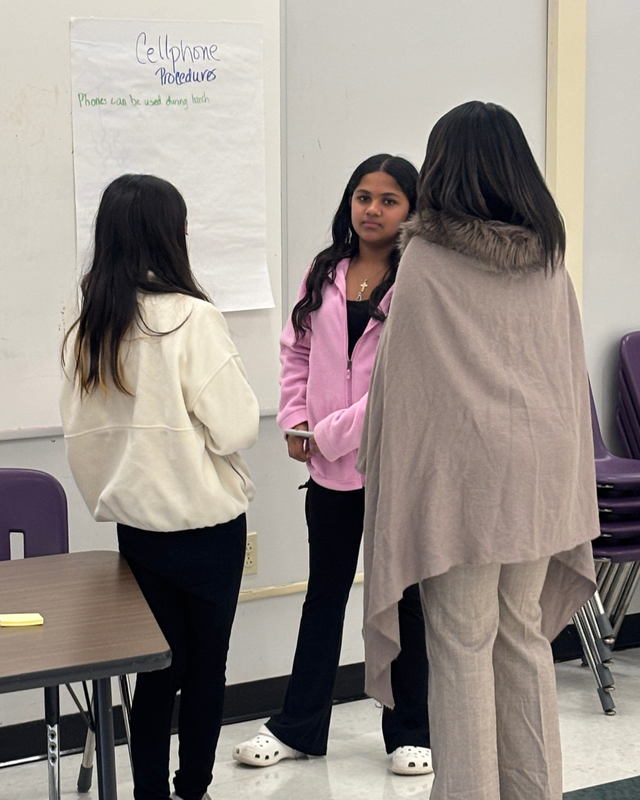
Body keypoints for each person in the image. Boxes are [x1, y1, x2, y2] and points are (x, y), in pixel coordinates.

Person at [357, 102, 600, 800]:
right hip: (539, 476)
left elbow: (401, 392)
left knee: (462, 644)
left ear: (444, 168)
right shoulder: (549, 259)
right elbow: (564, 373)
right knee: (523, 635)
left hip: (461, 483)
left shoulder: (428, 258)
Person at [60, 174, 259, 800]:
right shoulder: (192, 318)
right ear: (171, 237)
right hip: (206, 530)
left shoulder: (88, 321)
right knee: (205, 670)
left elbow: (81, 433)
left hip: (138, 531)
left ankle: (146, 791)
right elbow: (236, 427)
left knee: (153, 672)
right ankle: (192, 787)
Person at [233, 154, 432, 775]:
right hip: (328, 470)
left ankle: (410, 731)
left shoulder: (419, 281)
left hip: (394, 466)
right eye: (362, 197)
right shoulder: (324, 272)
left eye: (388, 199)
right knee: (323, 595)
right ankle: (297, 727)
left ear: (412, 209)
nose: (372, 210)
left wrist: (326, 433)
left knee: (404, 600)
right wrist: (295, 422)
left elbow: (403, 383)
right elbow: (295, 354)